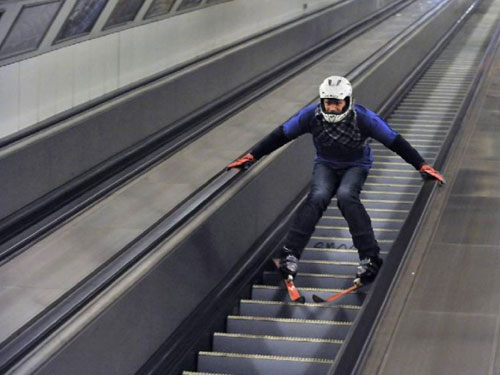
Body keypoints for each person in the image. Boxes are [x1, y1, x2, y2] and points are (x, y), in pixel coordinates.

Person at [227, 76, 445, 284]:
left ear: (347, 101)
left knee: (346, 196)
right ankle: (290, 254)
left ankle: (370, 257)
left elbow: (394, 140)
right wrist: (252, 155)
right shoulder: (311, 116)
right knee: (318, 196)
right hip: (326, 163)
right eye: (327, 103)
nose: (331, 108)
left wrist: (420, 164)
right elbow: (281, 135)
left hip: (356, 164)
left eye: (337, 103)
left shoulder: (364, 118)